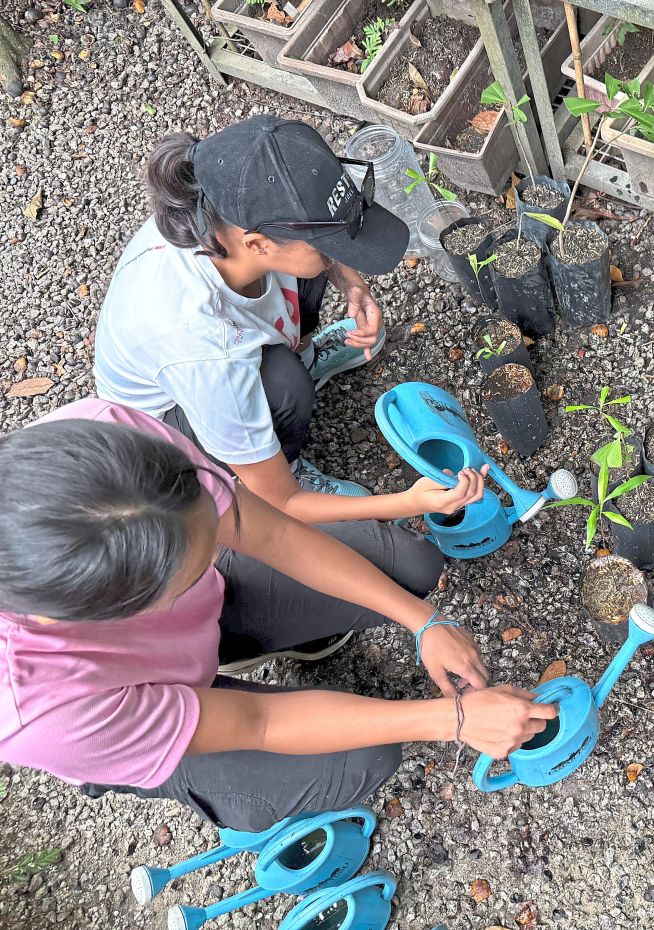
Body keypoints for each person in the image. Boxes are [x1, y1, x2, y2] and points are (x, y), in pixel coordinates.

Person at [0, 399, 556, 832]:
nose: (218, 543)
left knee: (404, 566)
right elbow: (255, 724)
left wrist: (422, 620)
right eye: (190, 576)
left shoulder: (113, 449)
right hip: (126, 715)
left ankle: (236, 639)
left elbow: (273, 533)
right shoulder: (44, 711)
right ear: (110, 614)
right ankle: (213, 751)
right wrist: (452, 721)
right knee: (362, 758)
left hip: (168, 631)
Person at [93, 115, 477, 525]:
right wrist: (409, 502)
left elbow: (313, 239)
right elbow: (281, 503)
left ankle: (305, 358)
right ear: (257, 244)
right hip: (169, 426)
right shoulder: (205, 347)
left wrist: (350, 281)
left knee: (306, 271)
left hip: (230, 342)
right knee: (285, 383)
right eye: (326, 243)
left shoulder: (225, 206)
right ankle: (287, 458)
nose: (338, 251)